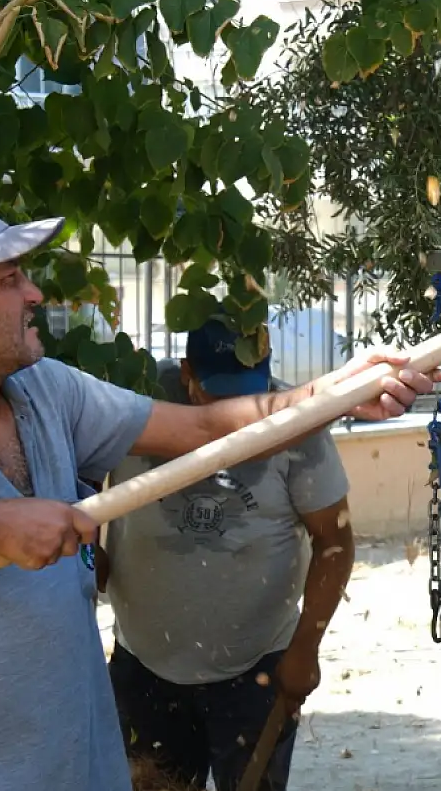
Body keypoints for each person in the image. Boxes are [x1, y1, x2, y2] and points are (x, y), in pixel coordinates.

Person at [0, 195, 441, 791]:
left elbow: (205, 426)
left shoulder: (47, 394)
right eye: (10, 279)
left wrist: (338, 392)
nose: (35, 295)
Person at [96, 319, 353, 791]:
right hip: (147, 666)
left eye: (247, 388)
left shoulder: (292, 420)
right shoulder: (136, 406)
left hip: (256, 670)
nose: (238, 408)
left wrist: (304, 650)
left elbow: (335, 543)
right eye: (220, 393)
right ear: (188, 372)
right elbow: (83, 489)